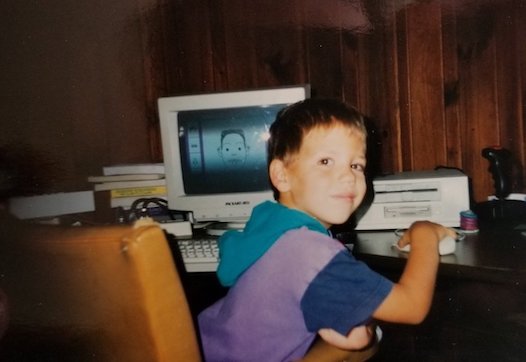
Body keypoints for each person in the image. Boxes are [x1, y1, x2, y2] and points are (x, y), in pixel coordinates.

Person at [198, 98, 456, 361]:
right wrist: (425, 233)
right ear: (281, 175)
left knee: (362, 342)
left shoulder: (270, 222)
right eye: (325, 161)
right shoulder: (313, 255)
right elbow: (412, 307)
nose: (348, 176)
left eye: (356, 165)